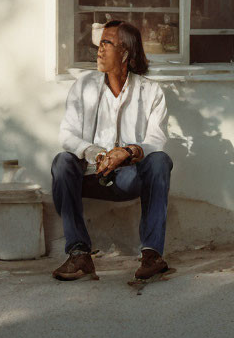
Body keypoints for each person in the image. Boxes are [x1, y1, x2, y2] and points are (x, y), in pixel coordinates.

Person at [51, 20, 173, 281]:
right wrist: (95, 152)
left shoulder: (150, 92)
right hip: (91, 175)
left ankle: (152, 255)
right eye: (99, 43)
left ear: (126, 53)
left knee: (160, 161)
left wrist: (128, 152)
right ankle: (79, 254)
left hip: (130, 178)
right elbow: (66, 135)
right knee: (62, 162)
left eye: (107, 43)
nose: (99, 49)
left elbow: (157, 139)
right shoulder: (84, 86)